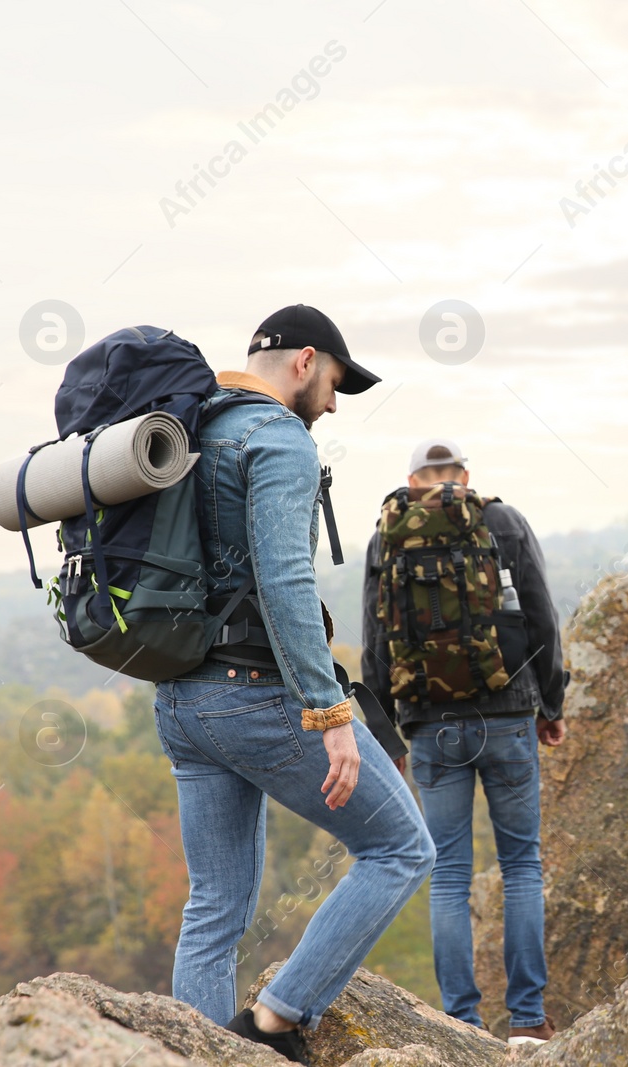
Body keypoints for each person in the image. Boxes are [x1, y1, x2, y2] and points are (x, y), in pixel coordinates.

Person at [153, 305, 435, 1064]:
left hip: (180, 701)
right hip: (253, 694)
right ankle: (276, 1021)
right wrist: (331, 712)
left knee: (214, 907)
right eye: (337, 383)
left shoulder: (189, 424)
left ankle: (202, 1054)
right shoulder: (277, 438)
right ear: (305, 360)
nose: (335, 404)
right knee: (404, 848)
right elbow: (283, 581)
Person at [361, 439, 569, 1045]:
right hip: (507, 715)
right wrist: (549, 704)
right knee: (521, 866)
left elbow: (376, 635)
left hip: (429, 723)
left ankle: (463, 1023)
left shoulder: (388, 533)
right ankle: (528, 1020)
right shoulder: (501, 519)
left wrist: (385, 732)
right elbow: (541, 616)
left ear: (412, 480)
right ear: (465, 478)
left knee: (449, 873)